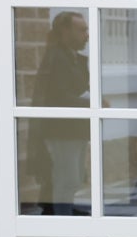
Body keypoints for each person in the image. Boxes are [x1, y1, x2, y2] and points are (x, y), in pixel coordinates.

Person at [30, 11, 91, 215]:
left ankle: (59, 212)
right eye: (82, 30)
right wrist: (92, 103)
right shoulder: (56, 58)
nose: (87, 35)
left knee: (71, 178)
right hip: (62, 129)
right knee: (67, 178)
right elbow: (58, 97)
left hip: (74, 128)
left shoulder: (73, 58)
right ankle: (61, 218)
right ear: (66, 31)